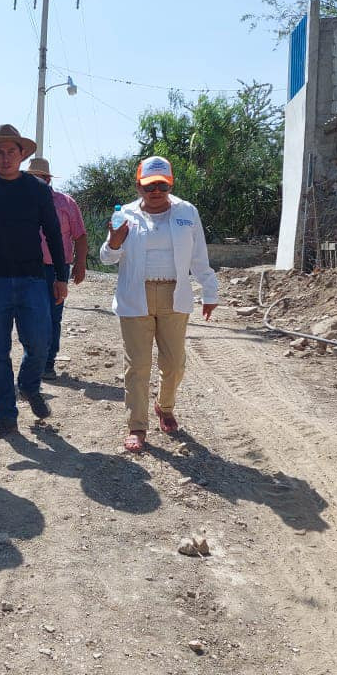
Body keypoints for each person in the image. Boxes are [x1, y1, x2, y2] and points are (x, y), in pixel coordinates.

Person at [99, 155, 218, 454]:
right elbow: (106, 258)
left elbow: (199, 257)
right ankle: (136, 426)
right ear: (139, 185)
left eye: (161, 186)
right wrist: (114, 241)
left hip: (174, 295)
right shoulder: (124, 214)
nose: (155, 192)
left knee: (175, 363)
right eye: (149, 186)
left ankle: (164, 406)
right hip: (134, 296)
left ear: (170, 184)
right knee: (137, 366)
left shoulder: (187, 212)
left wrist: (210, 291)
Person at [0, 124, 67, 439]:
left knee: (40, 345)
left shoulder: (37, 190)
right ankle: (5, 416)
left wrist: (60, 276)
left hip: (33, 280)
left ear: (22, 154)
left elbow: (53, 234)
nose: (5, 158)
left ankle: (30, 386)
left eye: (11, 152)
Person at [25, 157, 88, 379]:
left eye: (38, 178)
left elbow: (80, 236)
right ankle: (34, 360)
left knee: (53, 315)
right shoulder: (19, 202)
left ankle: (48, 362)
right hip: (27, 267)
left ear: (48, 179)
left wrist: (80, 265)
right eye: (30, 178)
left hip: (56, 269)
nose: (33, 182)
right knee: (30, 315)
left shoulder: (66, 203)